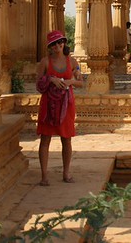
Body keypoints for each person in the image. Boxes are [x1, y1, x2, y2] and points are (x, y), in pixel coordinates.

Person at [36, 30, 83, 185]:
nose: (58, 45)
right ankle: (44, 176)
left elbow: (80, 81)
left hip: (66, 104)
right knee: (45, 139)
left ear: (64, 42)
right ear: (50, 46)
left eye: (60, 42)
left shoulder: (73, 62)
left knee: (66, 139)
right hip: (49, 105)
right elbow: (38, 84)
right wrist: (51, 79)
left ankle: (66, 173)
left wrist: (69, 82)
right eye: (54, 44)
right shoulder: (45, 62)